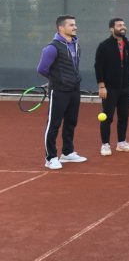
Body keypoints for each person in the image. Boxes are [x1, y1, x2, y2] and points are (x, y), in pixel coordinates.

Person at [37, 15, 87, 169]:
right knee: (54, 124)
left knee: (71, 122)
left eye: (75, 24)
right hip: (59, 91)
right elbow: (42, 69)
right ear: (61, 28)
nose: (75, 27)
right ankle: (50, 158)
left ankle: (67, 152)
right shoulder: (52, 47)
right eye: (71, 25)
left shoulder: (76, 44)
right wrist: (56, 80)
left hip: (74, 89)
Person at [95, 17, 129, 156]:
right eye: (119, 25)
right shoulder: (104, 46)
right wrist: (102, 86)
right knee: (107, 117)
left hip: (126, 88)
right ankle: (105, 145)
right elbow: (98, 66)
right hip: (110, 88)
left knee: (124, 116)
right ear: (111, 29)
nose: (123, 27)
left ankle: (121, 143)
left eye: (124, 24)